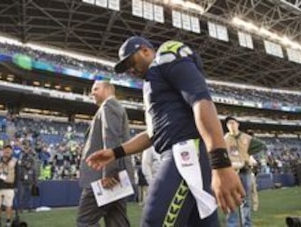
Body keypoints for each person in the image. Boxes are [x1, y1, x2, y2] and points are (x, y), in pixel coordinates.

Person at [86, 36, 245, 227]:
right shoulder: (152, 83)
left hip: (186, 152)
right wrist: (115, 152)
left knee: (153, 222)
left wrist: (221, 163)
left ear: (145, 50)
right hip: (181, 153)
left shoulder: (167, 55)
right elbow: (153, 134)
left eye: (131, 61)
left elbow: (201, 102)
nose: (130, 69)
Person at [77, 80, 133, 227]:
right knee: (117, 222)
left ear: (108, 89)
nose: (92, 92)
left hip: (104, 178)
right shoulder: (112, 107)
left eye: (96, 89)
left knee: (85, 222)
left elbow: (111, 138)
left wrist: (109, 174)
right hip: (115, 176)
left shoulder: (109, 105)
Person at [224, 116, 266, 227]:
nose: (231, 125)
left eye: (233, 122)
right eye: (228, 124)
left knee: (245, 200)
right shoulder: (225, 139)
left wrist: (247, 155)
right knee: (231, 200)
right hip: (231, 173)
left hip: (245, 171)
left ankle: (246, 224)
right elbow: (221, 153)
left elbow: (262, 145)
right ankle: (232, 225)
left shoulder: (246, 138)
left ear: (237, 124)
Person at [0, 144, 18, 227]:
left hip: (9, 186)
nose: (7, 151)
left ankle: (8, 222)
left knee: (9, 206)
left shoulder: (15, 161)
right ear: (3, 150)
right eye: (6, 149)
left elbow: (17, 174)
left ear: (11, 151)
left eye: (9, 149)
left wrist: (16, 186)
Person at [18, 140, 38, 212]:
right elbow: (19, 164)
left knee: (30, 196)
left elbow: (34, 168)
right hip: (22, 180)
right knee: (21, 196)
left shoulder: (32, 156)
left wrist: (35, 182)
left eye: (28, 148)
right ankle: (21, 209)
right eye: (25, 148)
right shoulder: (21, 155)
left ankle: (30, 208)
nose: (26, 149)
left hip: (30, 180)